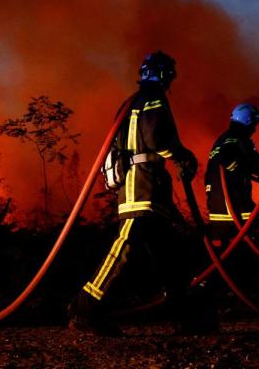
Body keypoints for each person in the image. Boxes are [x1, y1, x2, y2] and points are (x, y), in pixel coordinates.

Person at [68, 51, 199, 335]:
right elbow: (156, 139)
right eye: (170, 76)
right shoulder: (153, 100)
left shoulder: (132, 103)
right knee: (124, 249)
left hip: (148, 189)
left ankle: (187, 316)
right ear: (165, 75)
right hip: (141, 188)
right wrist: (182, 156)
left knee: (169, 256)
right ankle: (85, 308)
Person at [204, 103, 259, 314]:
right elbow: (231, 162)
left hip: (219, 209)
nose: (255, 129)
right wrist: (253, 169)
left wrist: (258, 175)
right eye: (254, 124)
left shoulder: (224, 139)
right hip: (237, 207)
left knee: (223, 257)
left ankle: (213, 299)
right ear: (247, 122)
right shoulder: (233, 140)